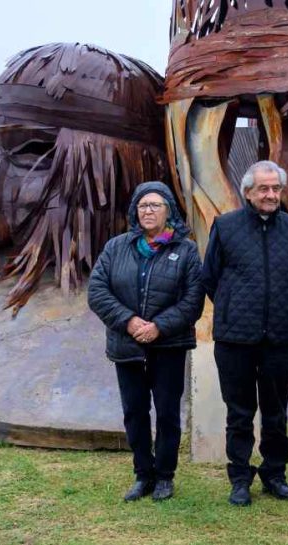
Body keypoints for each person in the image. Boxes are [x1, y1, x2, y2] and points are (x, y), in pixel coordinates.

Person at [88, 182, 204, 502]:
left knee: (167, 412)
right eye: (142, 206)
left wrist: (159, 327)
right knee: (134, 412)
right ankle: (143, 475)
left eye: (155, 205)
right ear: (134, 212)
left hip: (168, 345)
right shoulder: (116, 248)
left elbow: (193, 300)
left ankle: (165, 476)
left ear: (169, 211)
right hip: (127, 345)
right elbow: (97, 292)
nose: (148, 211)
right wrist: (130, 321)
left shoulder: (185, 250)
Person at [202, 161, 288, 506]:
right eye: (263, 188)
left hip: (278, 338)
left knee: (276, 411)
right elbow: (211, 277)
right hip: (236, 339)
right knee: (240, 411)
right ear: (248, 191)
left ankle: (275, 474)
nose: (271, 195)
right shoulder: (226, 226)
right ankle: (240, 477)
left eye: (276, 188)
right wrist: (235, 308)